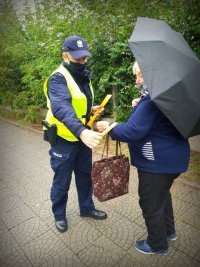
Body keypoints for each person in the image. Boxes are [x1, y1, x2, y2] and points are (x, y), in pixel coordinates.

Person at [97, 61, 190, 255]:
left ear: (151, 74)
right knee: (162, 195)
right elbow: (153, 120)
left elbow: (132, 131)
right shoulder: (165, 95)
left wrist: (109, 127)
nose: (137, 81)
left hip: (156, 163)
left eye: (140, 76)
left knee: (150, 203)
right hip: (173, 159)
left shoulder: (152, 100)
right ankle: (169, 232)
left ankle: (157, 244)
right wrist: (140, 105)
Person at [43, 35, 107, 233]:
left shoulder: (82, 76)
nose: (82, 62)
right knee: (62, 181)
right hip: (64, 139)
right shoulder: (57, 78)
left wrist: (92, 109)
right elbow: (62, 107)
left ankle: (86, 208)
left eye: (84, 58)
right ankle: (59, 215)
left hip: (82, 138)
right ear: (65, 56)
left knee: (84, 176)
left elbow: (77, 103)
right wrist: (82, 131)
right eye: (78, 58)